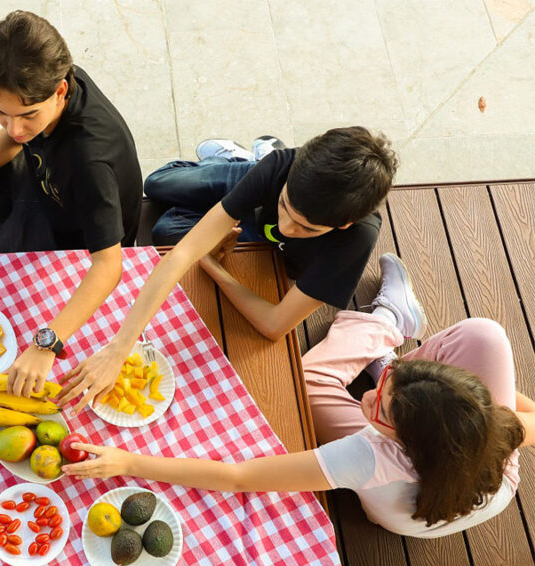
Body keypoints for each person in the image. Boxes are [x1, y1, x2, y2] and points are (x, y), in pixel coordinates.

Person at [63, 255, 533, 538]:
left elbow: (240, 478)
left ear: (407, 441)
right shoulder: (497, 428)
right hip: (476, 471)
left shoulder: (367, 456)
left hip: (402, 516)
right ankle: (390, 342)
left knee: (306, 379)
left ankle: (387, 324)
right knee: (483, 334)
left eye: (382, 409)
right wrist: (462, 407)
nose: (368, 399)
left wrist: (129, 462)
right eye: (385, 381)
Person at [59, 127, 398, 410]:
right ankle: (243, 161)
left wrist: (212, 265)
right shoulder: (282, 167)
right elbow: (181, 257)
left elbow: (274, 324)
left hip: (271, 249)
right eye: (285, 206)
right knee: (158, 184)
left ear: (344, 224)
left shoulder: (356, 239)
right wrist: (120, 347)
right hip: (260, 191)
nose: (286, 225)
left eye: (305, 227)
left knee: (166, 231)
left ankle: (240, 201)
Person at [0, 10, 142, 398]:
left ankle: (11, 219)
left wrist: (47, 343)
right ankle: (5, 211)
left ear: (60, 91)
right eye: (1, 112)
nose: (14, 129)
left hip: (66, 226)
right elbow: (16, 136)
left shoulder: (89, 159)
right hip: (42, 179)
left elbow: (109, 265)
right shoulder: (53, 79)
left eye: (28, 115)